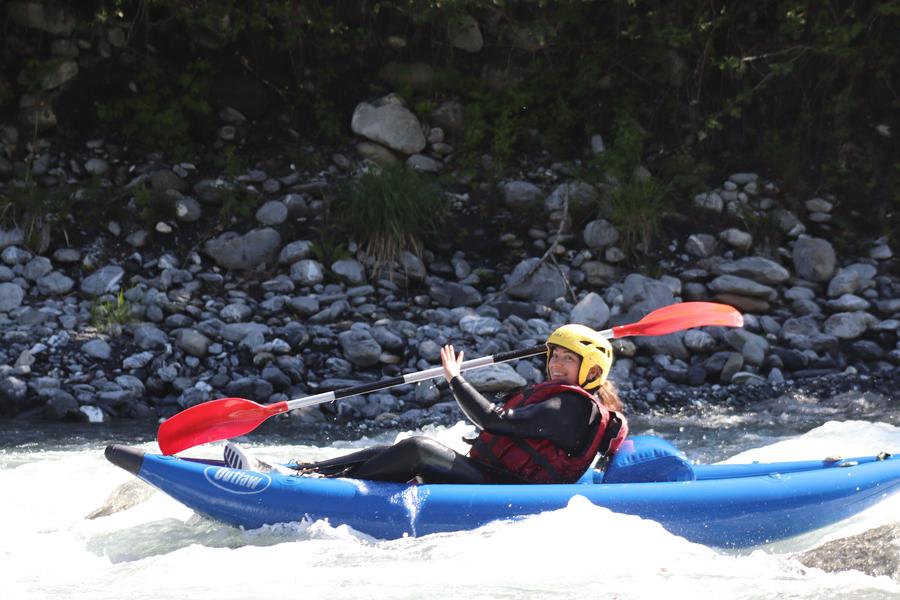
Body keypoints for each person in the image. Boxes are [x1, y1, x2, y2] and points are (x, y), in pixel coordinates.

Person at [224, 324, 628, 484]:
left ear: (589, 370)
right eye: (554, 356)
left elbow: (494, 419)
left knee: (418, 448)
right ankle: (296, 470)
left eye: (567, 359)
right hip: (497, 475)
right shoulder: (566, 401)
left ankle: (301, 484)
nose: (556, 365)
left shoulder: (574, 407)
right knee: (392, 449)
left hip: (511, 489)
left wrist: (455, 379)